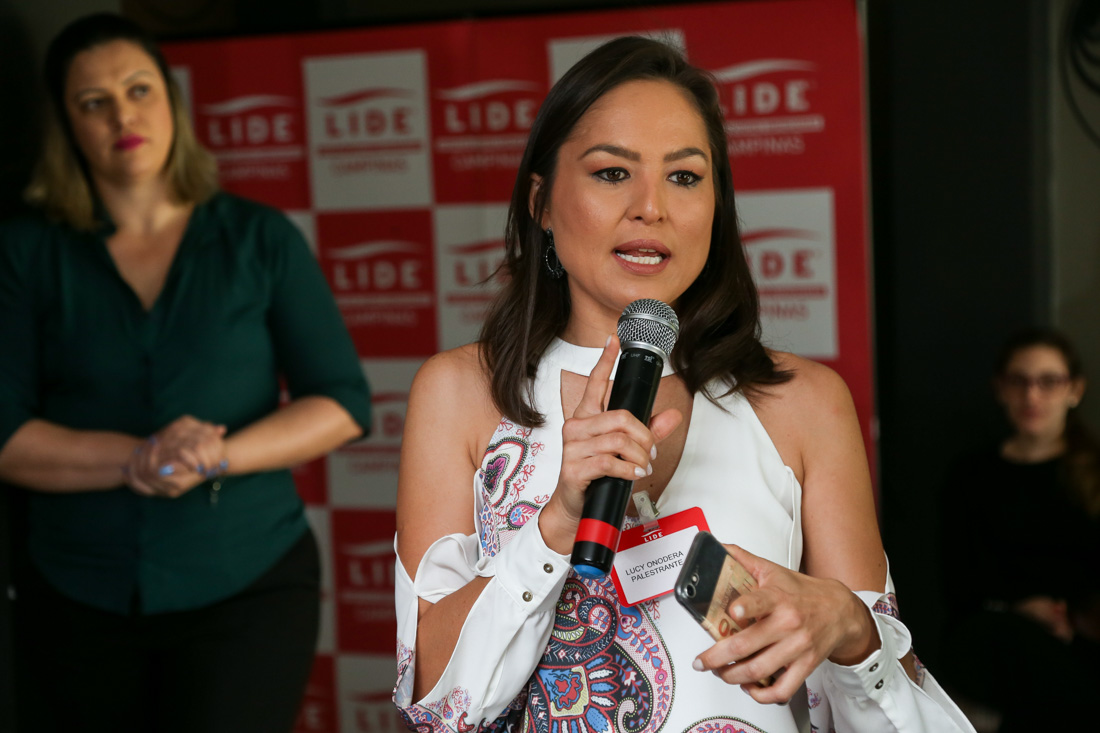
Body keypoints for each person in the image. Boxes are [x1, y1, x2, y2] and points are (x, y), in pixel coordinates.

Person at [393, 36, 972, 732]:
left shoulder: (804, 402)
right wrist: (555, 525)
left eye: (685, 177)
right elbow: (435, 703)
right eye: (613, 173)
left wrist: (849, 627)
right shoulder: (461, 392)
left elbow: (894, 714)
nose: (651, 207)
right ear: (541, 202)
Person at [0, 13, 371, 733]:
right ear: (67, 125)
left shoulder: (259, 238)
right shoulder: (24, 252)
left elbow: (342, 401)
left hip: (248, 585)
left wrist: (213, 455)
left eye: (138, 89)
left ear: (171, 102)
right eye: (94, 102)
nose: (122, 116)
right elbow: (5, 434)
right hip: (75, 593)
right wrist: (140, 458)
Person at [939, 328, 1100, 731]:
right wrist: (1020, 609)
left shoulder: (1094, 473)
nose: (1032, 396)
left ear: (1074, 390)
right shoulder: (970, 475)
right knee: (998, 641)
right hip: (995, 633)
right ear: (1001, 389)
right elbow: (958, 580)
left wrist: (1070, 616)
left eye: (1049, 381)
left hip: (1079, 637)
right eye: (1019, 381)